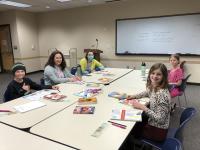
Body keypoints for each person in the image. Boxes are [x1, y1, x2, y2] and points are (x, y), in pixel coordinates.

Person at [127, 63, 171, 142]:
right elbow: (147, 92)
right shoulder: (156, 86)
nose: (154, 76)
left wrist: (142, 107)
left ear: (164, 77)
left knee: (130, 129)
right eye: (153, 73)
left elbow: (161, 120)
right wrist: (134, 96)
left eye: (158, 74)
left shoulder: (162, 95)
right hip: (153, 123)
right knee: (135, 119)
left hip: (158, 131)